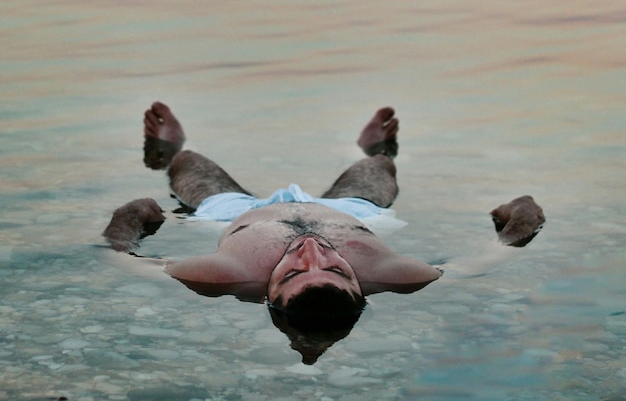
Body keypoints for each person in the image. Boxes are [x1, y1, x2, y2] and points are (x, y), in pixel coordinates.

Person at [103, 102, 442, 363]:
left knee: (188, 162)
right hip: (350, 211)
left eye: (292, 272)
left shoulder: (223, 277)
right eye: (338, 269)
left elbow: (125, 258)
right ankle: (373, 148)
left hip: (237, 214)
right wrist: (499, 235)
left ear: (268, 295)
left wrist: (128, 218)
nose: (311, 249)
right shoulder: (397, 276)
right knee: (379, 166)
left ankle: (170, 148)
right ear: (361, 288)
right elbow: (472, 267)